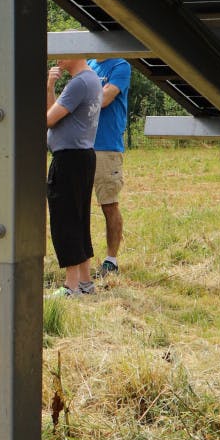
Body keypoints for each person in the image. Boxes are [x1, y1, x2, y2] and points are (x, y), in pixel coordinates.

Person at [45, 57, 102, 297]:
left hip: (69, 158)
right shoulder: (92, 80)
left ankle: (71, 286)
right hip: (81, 156)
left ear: (76, 53)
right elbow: (54, 114)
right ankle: (85, 281)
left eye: (63, 52)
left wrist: (46, 90)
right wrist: (50, 89)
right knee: (78, 218)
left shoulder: (79, 83)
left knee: (65, 218)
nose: (57, 57)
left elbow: (48, 119)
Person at [88, 57, 131, 277]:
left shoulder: (120, 65)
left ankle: (111, 260)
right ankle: (82, 259)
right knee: (77, 206)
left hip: (107, 146)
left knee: (109, 204)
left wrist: (81, 95)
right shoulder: (89, 63)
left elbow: (104, 99)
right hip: (82, 145)